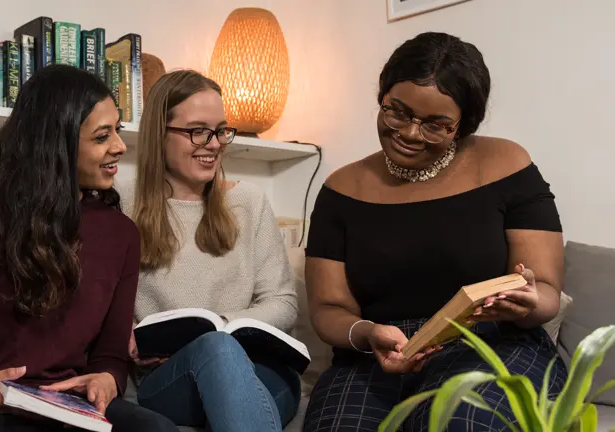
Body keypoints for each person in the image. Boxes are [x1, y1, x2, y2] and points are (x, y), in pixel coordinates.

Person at [0, 64, 178, 432]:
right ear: (56, 141)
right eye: (102, 136)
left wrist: (107, 379)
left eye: (117, 131)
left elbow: (109, 356)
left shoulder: (121, 234)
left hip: (60, 405)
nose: (120, 147)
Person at [303, 32, 568, 431]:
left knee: (459, 421)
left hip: (493, 343)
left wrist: (528, 301)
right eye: (398, 112)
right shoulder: (341, 189)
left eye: (435, 125)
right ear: (382, 96)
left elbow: (545, 291)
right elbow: (328, 309)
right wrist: (368, 333)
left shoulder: (506, 165)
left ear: (462, 126)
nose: (410, 133)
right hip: (380, 354)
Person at [120, 69, 302, 432]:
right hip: (170, 380)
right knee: (214, 351)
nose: (215, 143)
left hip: (262, 371)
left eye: (220, 130)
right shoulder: (122, 203)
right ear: (160, 133)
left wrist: (221, 325)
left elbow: (283, 302)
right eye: (197, 131)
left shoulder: (247, 202)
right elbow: (97, 300)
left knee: (218, 346)